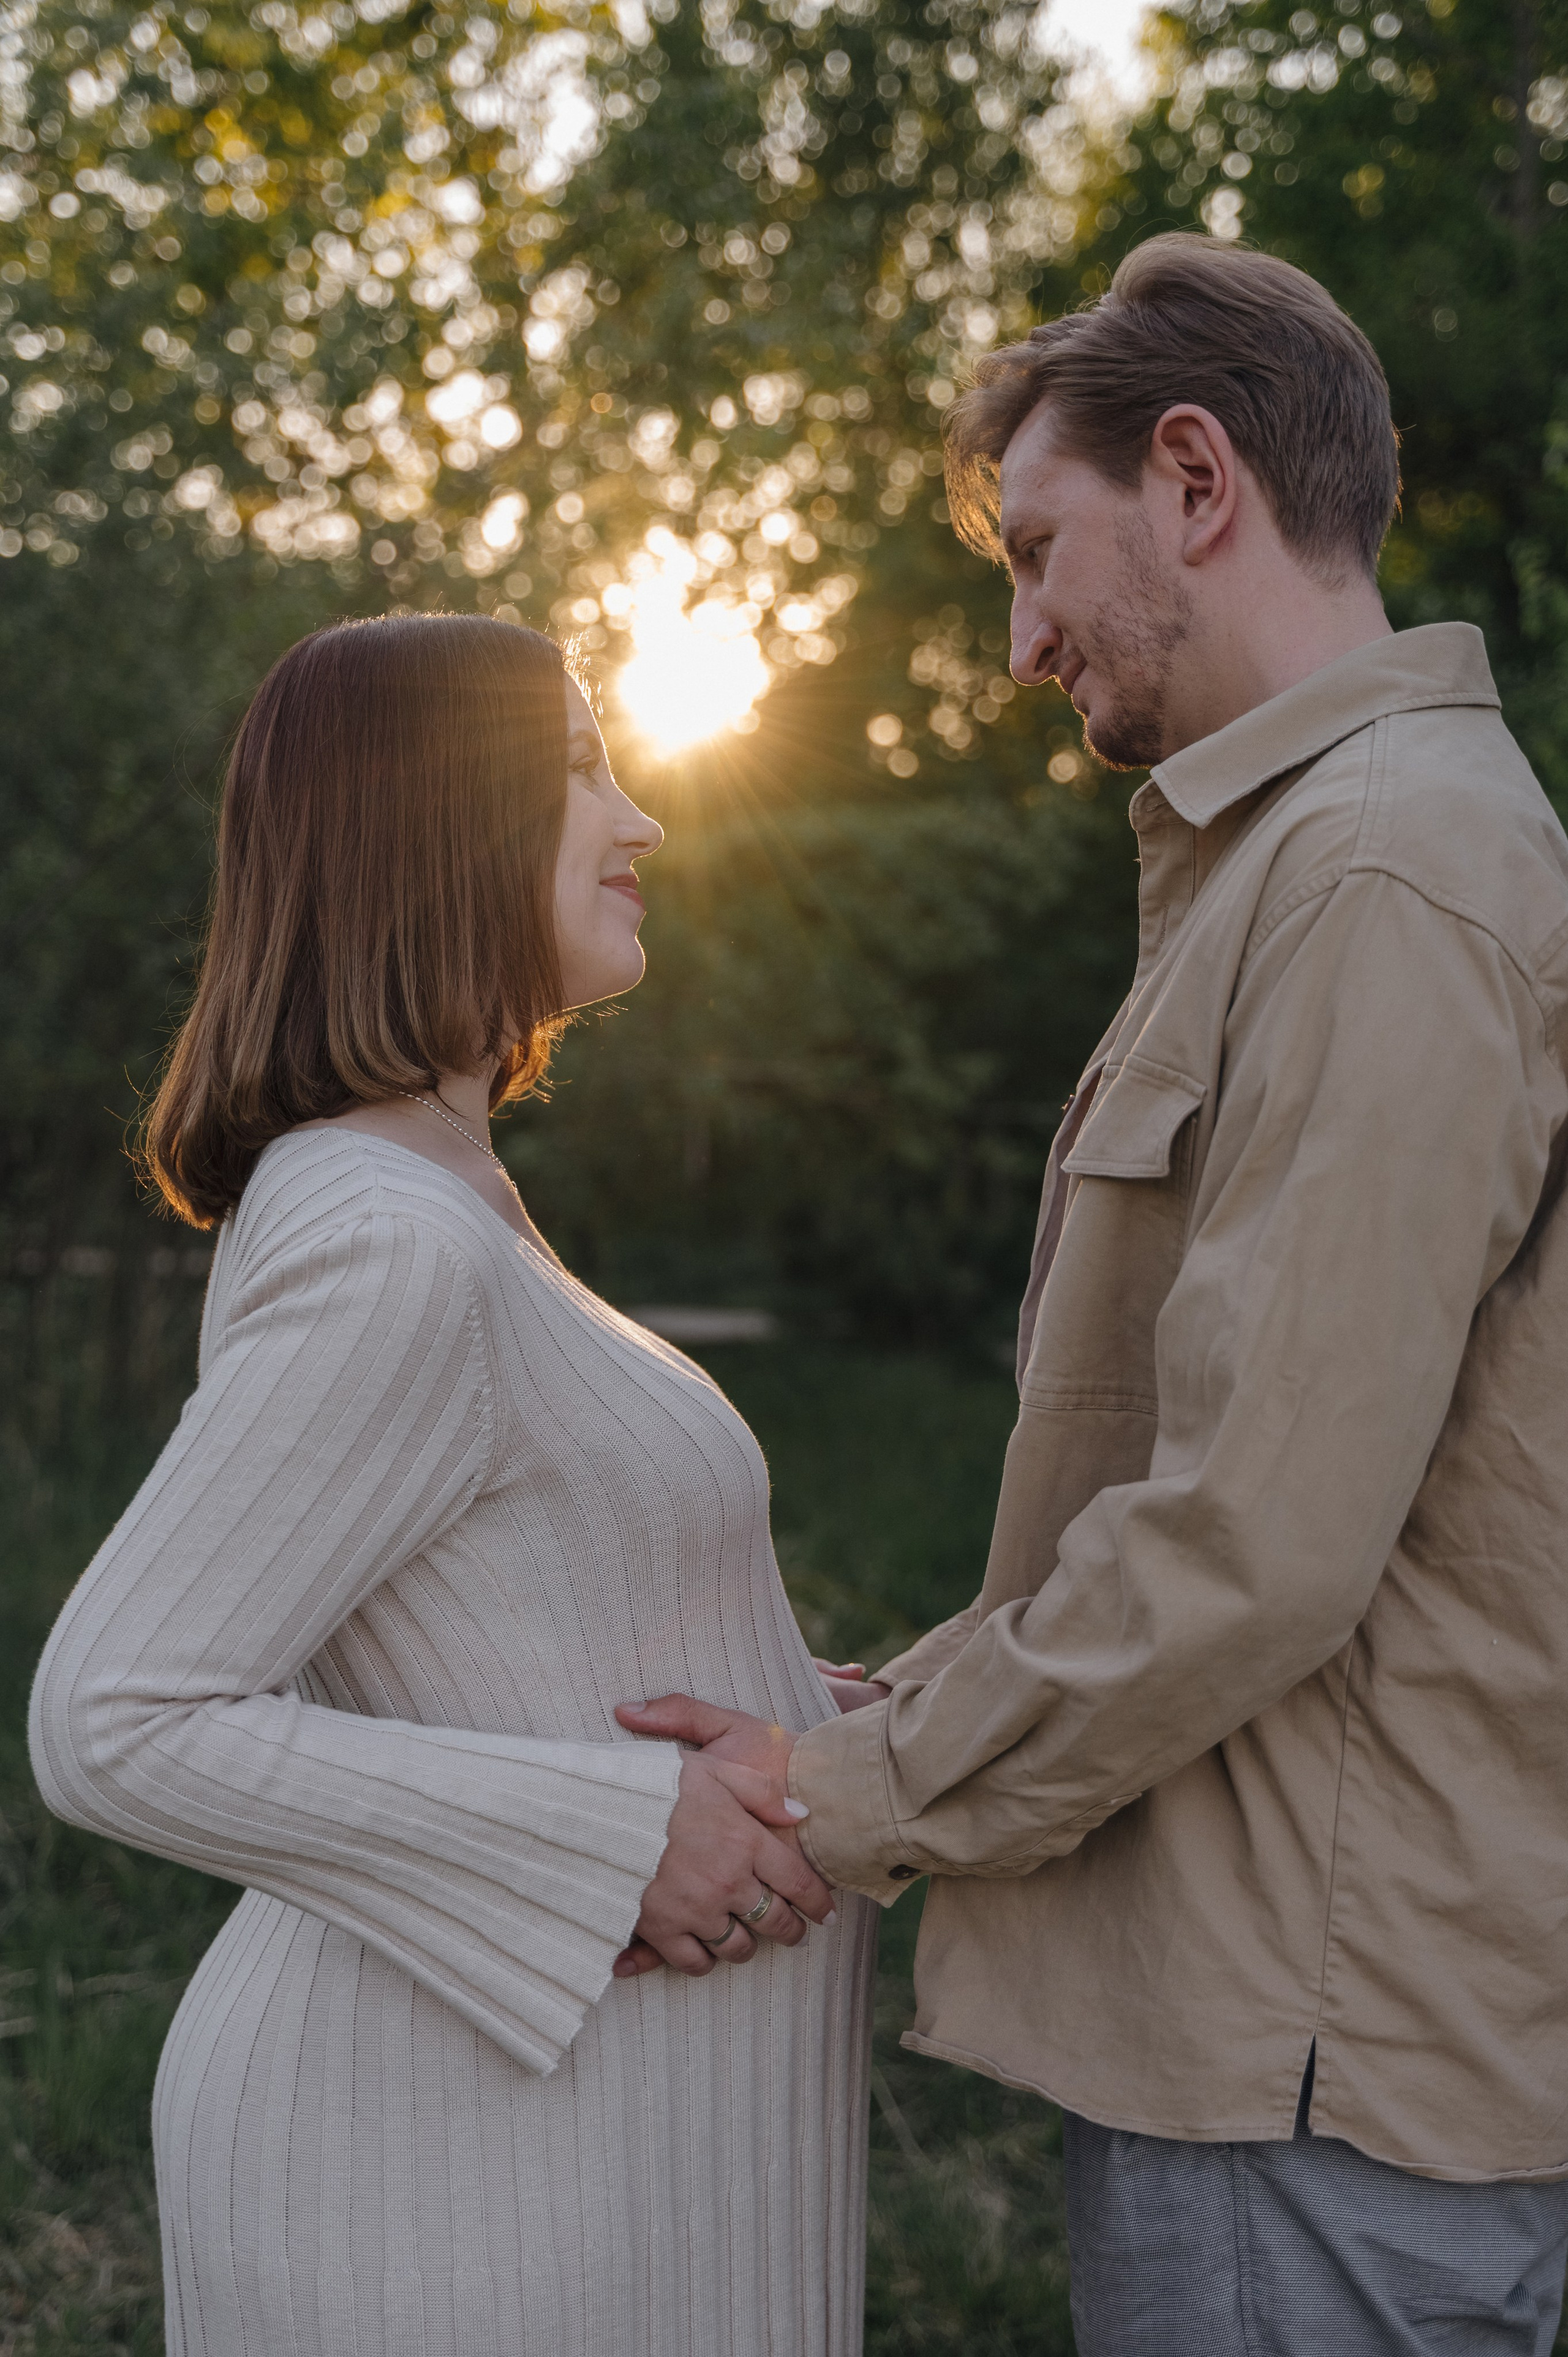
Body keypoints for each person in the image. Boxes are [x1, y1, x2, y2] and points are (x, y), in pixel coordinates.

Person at [620, 233, 1568, 2354]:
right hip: (1283, 2028)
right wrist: (924, 1692)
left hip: (1301, 2073)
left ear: (1200, 480)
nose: (1023, 639)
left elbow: (1259, 1540)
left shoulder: (1381, 880)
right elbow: (1287, 1474)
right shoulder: (1325, 863)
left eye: (1039, 552)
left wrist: (828, 1799)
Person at [28, 614, 876, 2357]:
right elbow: (117, 1716)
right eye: (580, 771)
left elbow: (504, 1609)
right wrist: (628, 1829)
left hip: (579, 2156)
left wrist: (809, 1721)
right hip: (456, 2193)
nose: (641, 819)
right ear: (443, 821)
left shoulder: (445, 1191)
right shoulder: (386, 1236)